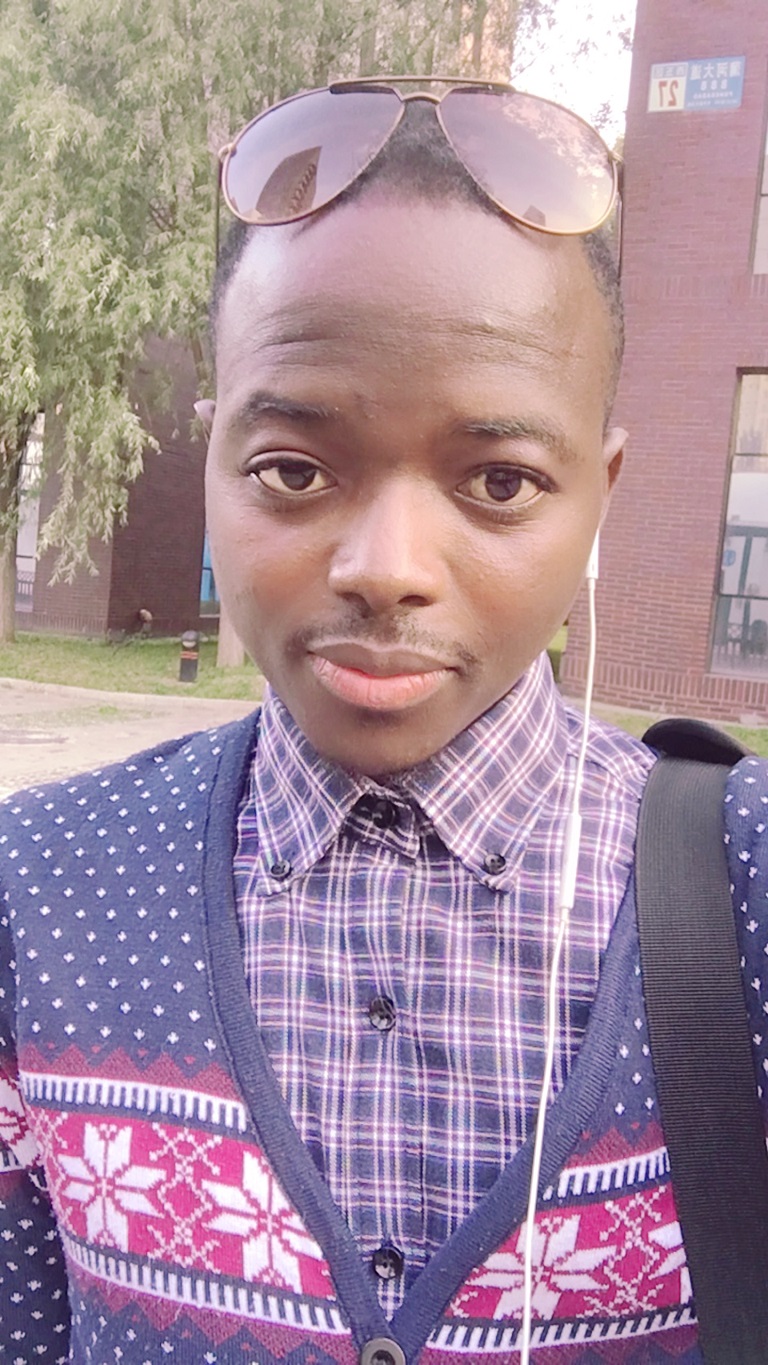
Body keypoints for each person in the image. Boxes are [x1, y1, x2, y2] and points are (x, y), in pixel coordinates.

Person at [0, 79, 763, 1365]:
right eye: (293, 470)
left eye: (500, 481)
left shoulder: (747, 891)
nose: (386, 568)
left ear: (601, 492)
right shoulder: (40, 892)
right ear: (213, 463)